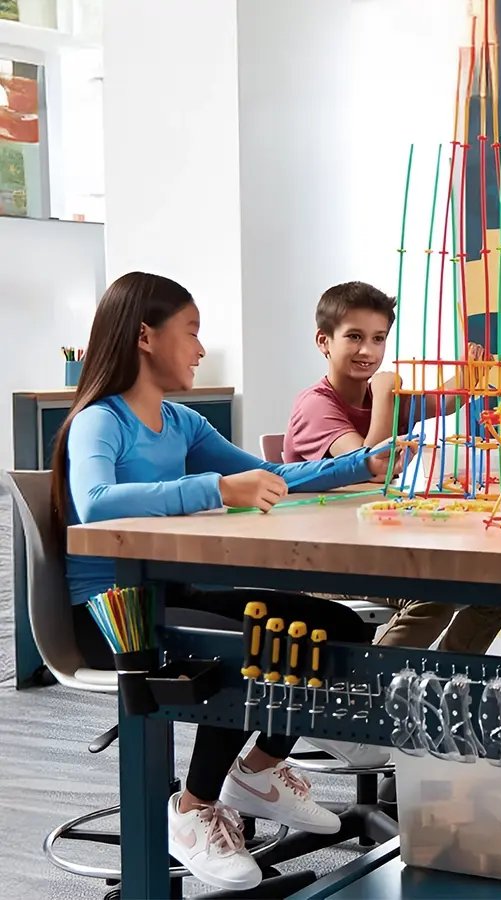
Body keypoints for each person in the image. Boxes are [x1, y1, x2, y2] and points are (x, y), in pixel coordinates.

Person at [51, 272, 397, 891]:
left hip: (175, 596)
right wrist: (212, 488)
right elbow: (96, 502)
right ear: (145, 338)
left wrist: (362, 464)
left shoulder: (182, 423)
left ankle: (259, 770)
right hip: (115, 614)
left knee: (336, 626)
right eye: (192, 333)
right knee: (255, 650)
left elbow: (269, 474)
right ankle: (192, 809)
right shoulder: (99, 422)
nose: (202, 349)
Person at [284, 280, 501, 656]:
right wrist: (387, 393)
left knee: (500, 588)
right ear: (324, 341)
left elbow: (441, 403)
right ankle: (376, 690)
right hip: (325, 559)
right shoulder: (315, 406)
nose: (367, 350)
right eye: (354, 337)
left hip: (376, 547)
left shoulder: (376, 397)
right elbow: (370, 465)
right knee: (433, 597)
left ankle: (446, 681)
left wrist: (468, 376)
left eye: (378, 338)